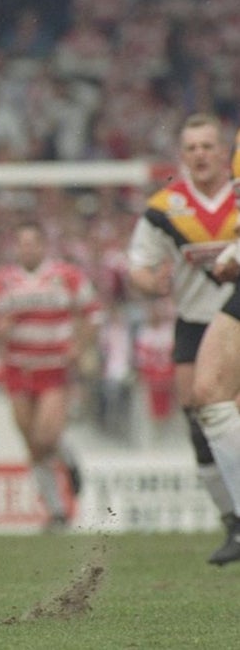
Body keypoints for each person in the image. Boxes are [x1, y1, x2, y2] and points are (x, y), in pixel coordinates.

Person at [127, 112, 240, 565]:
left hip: (233, 320)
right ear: (182, 154)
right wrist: (149, 283)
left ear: (224, 150)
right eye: (191, 148)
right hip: (195, 322)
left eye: (208, 146)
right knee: (199, 421)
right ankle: (231, 521)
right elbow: (138, 262)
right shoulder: (165, 207)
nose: (200, 155)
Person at [0, 220, 101, 531]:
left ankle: (68, 458)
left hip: (54, 366)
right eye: (22, 243)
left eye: (33, 243)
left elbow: (92, 314)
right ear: (15, 247)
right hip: (17, 368)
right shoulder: (1, 282)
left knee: (46, 436)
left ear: (43, 245)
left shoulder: (66, 276)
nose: (28, 249)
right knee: (32, 444)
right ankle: (57, 512)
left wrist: (80, 346)